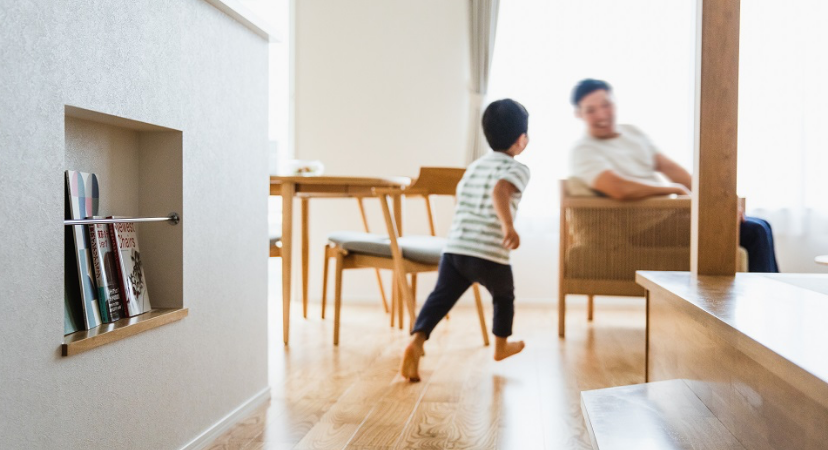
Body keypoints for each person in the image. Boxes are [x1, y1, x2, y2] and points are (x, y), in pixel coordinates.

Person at [569, 78, 779, 272]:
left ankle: (769, 298)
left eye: (606, 105)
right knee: (755, 231)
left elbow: (671, 169)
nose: (602, 115)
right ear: (579, 114)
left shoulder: (631, 132)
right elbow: (618, 188)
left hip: (670, 216)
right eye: (591, 110)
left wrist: (717, 200)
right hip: (644, 228)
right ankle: (767, 303)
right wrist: (674, 190)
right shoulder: (583, 150)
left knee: (762, 224)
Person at [400, 99, 531, 382]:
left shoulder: (473, 168)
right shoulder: (518, 169)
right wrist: (508, 226)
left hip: (456, 248)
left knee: (440, 298)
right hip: (488, 252)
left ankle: (417, 341)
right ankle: (500, 346)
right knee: (504, 296)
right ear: (522, 140)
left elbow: (461, 198)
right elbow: (500, 191)